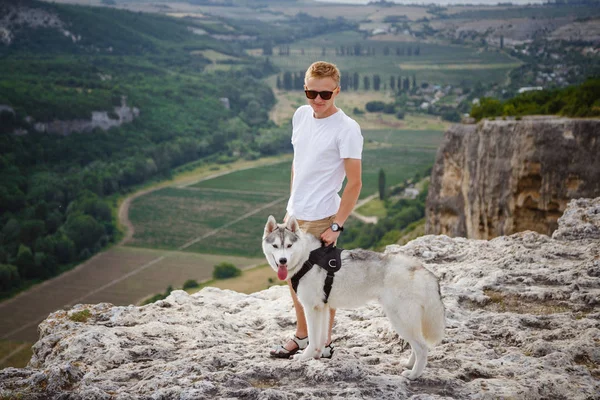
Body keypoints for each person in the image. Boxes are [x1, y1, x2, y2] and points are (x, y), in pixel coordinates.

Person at [270, 61, 363, 359]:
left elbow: (355, 183)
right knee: (295, 281)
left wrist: (336, 226)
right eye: (312, 93)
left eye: (326, 94)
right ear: (305, 90)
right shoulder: (300, 115)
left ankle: (323, 344)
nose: (318, 100)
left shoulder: (347, 129)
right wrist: (290, 208)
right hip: (296, 216)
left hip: (323, 216)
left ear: (337, 91)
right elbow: (298, 163)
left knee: (322, 284)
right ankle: (303, 335)